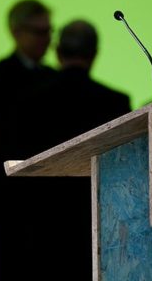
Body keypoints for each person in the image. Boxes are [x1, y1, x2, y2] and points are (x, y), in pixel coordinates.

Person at [38, 19, 131, 279]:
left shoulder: (32, 101)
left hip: (42, 221)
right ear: (94, 54)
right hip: (96, 217)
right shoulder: (115, 101)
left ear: (58, 53)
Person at [0, 0, 58, 280]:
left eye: (49, 31)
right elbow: (1, 135)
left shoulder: (54, 77)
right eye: (38, 31)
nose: (46, 39)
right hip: (7, 201)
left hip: (45, 203)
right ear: (15, 31)